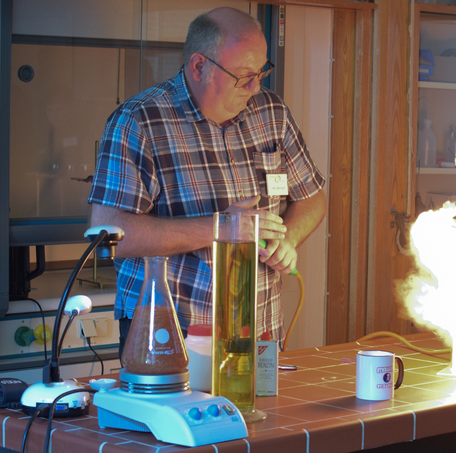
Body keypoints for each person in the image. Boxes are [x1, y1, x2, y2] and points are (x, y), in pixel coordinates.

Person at [88, 7, 327, 355]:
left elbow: (311, 197)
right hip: (170, 332)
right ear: (199, 66)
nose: (255, 86)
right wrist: (222, 227)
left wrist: (287, 239)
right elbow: (109, 233)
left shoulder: (271, 113)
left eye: (261, 72)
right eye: (243, 75)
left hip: (257, 328)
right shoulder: (140, 121)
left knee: (258, 413)